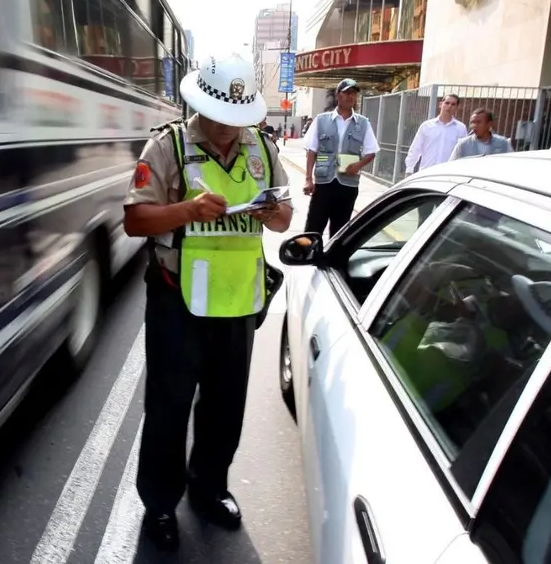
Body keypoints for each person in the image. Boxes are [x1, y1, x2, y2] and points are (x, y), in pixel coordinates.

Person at [122, 52, 293, 551]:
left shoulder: (262, 147)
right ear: (202, 105)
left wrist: (269, 213)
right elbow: (135, 220)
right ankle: (160, 502)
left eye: (237, 119)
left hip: (239, 300)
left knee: (225, 406)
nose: (228, 129)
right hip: (178, 301)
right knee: (169, 406)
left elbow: (284, 218)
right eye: (221, 118)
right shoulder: (168, 145)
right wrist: (187, 211)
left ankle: (210, 487)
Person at [303, 78, 379, 238]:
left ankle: (333, 254)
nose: (351, 96)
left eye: (354, 94)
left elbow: (371, 151)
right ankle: (309, 252)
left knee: (340, 230)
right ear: (338, 95)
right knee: (314, 227)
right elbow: (312, 150)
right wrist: (308, 179)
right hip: (324, 183)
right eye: (347, 93)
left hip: (348, 185)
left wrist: (358, 165)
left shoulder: (363, 123)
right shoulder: (321, 120)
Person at [403, 93, 467, 176]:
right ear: (441, 104)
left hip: (448, 174)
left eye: (453, 104)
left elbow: (463, 152)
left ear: (456, 107)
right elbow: (416, 148)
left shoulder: (461, 128)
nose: (449, 106)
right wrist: (409, 169)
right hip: (426, 172)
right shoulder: (426, 126)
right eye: (447, 103)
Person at [449, 107, 514, 160]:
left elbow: (512, 164)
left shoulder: (504, 143)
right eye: (472, 122)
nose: (474, 125)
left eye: (478, 122)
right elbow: (451, 165)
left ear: (489, 124)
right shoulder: (463, 144)